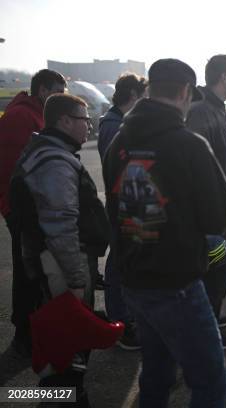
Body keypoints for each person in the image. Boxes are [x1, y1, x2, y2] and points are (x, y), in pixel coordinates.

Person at [103, 58, 226, 407]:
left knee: (157, 373)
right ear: (186, 93)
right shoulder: (188, 144)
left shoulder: (119, 142)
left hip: (135, 278)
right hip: (176, 284)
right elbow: (215, 217)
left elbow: (114, 210)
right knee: (210, 379)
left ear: (149, 91)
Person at [10, 93, 109, 404]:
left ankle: (61, 394)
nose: (89, 126)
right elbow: (61, 226)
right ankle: (67, 396)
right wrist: (77, 279)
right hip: (61, 265)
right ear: (65, 121)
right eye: (84, 120)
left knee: (62, 341)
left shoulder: (47, 152)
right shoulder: (54, 161)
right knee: (70, 342)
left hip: (54, 262)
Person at [0, 68, 66, 356]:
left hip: (29, 207)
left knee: (36, 270)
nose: (62, 98)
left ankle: (31, 330)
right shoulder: (22, 118)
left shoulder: (31, 113)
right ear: (42, 90)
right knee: (28, 272)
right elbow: (19, 170)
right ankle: (23, 334)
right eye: (58, 92)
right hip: (21, 209)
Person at [186, 54, 226, 350]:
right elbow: (195, 165)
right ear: (223, 77)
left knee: (222, 270)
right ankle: (206, 334)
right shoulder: (201, 111)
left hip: (224, 203)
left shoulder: (219, 109)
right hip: (210, 211)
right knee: (213, 271)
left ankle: (211, 319)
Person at [98, 72, 147, 351]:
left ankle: (124, 317)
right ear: (132, 96)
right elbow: (120, 169)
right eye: (143, 96)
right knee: (118, 263)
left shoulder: (119, 123)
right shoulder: (113, 127)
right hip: (122, 205)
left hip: (130, 203)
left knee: (124, 262)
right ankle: (120, 323)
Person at [97, 73, 147, 158]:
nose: (145, 103)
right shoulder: (112, 126)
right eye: (143, 97)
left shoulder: (115, 121)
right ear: (133, 94)